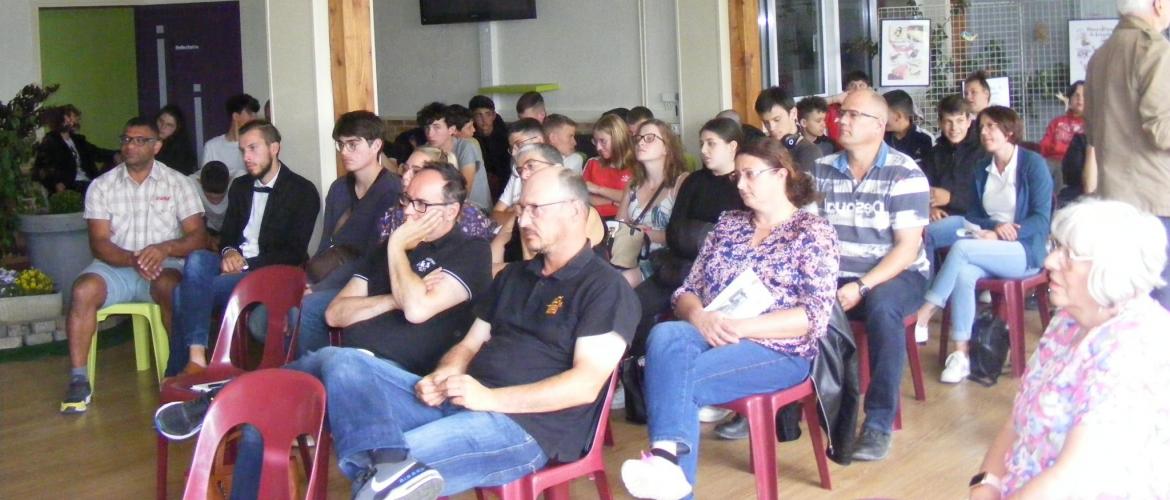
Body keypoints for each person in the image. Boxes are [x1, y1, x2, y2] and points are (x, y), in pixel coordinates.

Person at [242, 166, 633, 499]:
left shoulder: (604, 287)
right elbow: (468, 343)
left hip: (524, 427)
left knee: (384, 483)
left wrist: (488, 397)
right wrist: (447, 372)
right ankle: (246, 395)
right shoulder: (515, 275)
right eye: (521, 208)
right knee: (340, 361)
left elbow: (584, 386)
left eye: (534, 209)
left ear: (576, 211)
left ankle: (385, 468)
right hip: (462, 400)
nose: (523, 220)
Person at [156, 163, 494, 500]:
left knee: (343, 360)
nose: (408, 211)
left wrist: (396, 250)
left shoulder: (470, 252)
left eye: (422, 204)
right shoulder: (383, 254)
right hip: (345, 373)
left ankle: (228, 392)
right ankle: (241, 398)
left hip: (405, 382)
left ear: (452, 211)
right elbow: (336, 313)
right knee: (265, 412)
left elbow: (418, 310)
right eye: (407, 200)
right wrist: (394, 297)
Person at [619, 138, 839, 500]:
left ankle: (665, 468)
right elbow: (686, 291)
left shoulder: (812, 233)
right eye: (738, 176)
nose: (739, 184)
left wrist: (738, 327)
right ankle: (665, 464)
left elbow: (812, 316)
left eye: (750, 175)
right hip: (712, 330)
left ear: (781, 175)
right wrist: (700, 317)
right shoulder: (729, 224)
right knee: (666, 336)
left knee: (675, 378)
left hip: (779, 348)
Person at [970, 199, 1170, 499]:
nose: (1050, 262)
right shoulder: (1068, 321)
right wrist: (986, 483)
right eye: (1055, 247)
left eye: (1069, 255)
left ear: (1110, 267)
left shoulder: (1136, 346)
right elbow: (1018, 419)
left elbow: (1076, 476)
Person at [810, 90, 930, 461]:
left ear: (879, 126)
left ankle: (878, 422)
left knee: (881, 307)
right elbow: (807, 234)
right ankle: (785, 408)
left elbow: (906, 249)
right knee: (792, 298)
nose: (842, 121)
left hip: (897, 274)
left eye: (853, 115)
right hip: (838, 274)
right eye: (841, 113)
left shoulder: (905, 173)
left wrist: (861, 286)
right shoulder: (821, 170)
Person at [59, 116, 207, 414]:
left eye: (140, 140)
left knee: (173, 289)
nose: (131, 146)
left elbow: (198, 236)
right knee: (83, 291)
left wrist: (164, 248)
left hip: (163, 266)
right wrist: (133, 259)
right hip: (117, 267)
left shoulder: (179, 183)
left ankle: (177, 369)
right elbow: (99, 242)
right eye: (126, 139)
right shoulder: (102, 186)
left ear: (157, 146)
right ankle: (78, 379)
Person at [915, 106, 1053, 383]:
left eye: (991, 126)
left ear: (1009, 131)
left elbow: (1042, 219)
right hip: (991, 243)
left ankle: (924, 312)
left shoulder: (1032, 164)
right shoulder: (982, 168)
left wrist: (1004, 234)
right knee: (964, 273)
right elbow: (974, 215)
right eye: (983, 127)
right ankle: (961, 354)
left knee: (962, 249)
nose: (985, 132)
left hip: (1025, 249)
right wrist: (993, 228)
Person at [171, 120, 320, 374]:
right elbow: (227, 236)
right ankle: (196, 357)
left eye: (253, 148)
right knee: (197, 259)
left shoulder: (302, 190)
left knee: (181, 294)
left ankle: (181, 370)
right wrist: (229, 252)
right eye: (243, 151)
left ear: (274, 148)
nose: (246, 157)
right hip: (236, 266)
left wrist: (245, 264)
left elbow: (294, 251)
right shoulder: (239, 187)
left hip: (270, 272)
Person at [293, 112, 404, 357]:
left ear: (376, 145)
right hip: (331, 272)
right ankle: (288, 375)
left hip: (369, 282)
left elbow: (375, 257)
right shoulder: (339, 188)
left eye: (353, 144)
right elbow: (326, 243)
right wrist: (309, 280)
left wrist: (322, 286)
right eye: (341, 144)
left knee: (306, 308)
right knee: (270, 314)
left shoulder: (392, 190)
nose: (344, 151)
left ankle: (312, 378)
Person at [1084, 0, 1170, 311]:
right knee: (1161, 306)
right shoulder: (1155, 51)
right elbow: (1161, 130)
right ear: (1159, 5)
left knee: (1127, 304)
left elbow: (1091, 132)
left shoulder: (1101, 56)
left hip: (1114, 201)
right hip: (1156, 201)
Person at [615, 119, 690, 288]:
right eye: (638, 138)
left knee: (618, 283)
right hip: (631, 257)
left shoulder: (681, 182)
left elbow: (681, 236)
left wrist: (644, 233)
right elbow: (619, 227)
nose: (640, 142)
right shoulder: (633, 185)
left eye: (649, 138)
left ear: (666, 147)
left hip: (664, 262)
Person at [417, 102, 491, 211]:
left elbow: (464, 189)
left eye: (436, 127)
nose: (430, 134)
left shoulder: (466, 147)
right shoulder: (425, 149)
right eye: (427, 128)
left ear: (451, 129)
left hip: (475, 208)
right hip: (438, 206)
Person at [923, 95, 983, 223]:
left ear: (968, 122)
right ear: (940, 123)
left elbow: (988, 199)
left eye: (960, 120)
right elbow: (922, 188)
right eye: (948, 121)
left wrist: (951, 198)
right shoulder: (934, 154)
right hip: (940, 219)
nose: (954, 128)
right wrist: (929, 208)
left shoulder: (983, 152)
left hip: (976, 220)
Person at [33, 104, 118, 193]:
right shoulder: (50, 142)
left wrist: (115, 154)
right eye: (69, 117)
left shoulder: (78, 141)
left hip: (89, 182)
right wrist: (56, 183)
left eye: (73, 117)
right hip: (70, 185)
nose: (73, 121)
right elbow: (41, 168)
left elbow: (96, 152)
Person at [754, 86, 824, 173]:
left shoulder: (809, 152)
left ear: (793, 113)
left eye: (777, 120)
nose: (771, 128)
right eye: (766, 122)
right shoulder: (762, 149)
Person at [582, 114, 636, 219]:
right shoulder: (592, 163)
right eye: (595, 141)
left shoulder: (636, 165)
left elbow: (635, 198)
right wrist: (614, 199)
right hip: (594, 220)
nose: (598, 147)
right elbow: (584, 197)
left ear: (618, 139)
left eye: (603, 141)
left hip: (625, 221)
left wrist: (597, 189)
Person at [200, 94, 259, 178]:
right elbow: (206, 180)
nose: (254, 118)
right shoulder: (212, 146)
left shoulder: (257, 145)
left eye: (255, 114)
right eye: (250, 113)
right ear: (235, 116)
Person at [469, 95, 512, 200]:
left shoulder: (506, 136)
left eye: (487, 114)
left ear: (493, 115)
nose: (484, 120)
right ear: (473, 118)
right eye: (479, 115)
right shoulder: (470, 137)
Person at [883, 90, 933, 167]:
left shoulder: (925, 139)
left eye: (883, 114)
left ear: (898, 116)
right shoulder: (880, 137)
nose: (879, 118)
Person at [1038, 81, 1085, 162]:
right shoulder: (1057, 122)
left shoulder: (1093, 125)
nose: (1080, 98)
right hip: (1055, 162)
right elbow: (1044, 146)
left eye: (1084, 95)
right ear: (1069, 99)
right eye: (1076, 95)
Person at [154, 105, 197, 175]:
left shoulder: (182, 153)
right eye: (161, 121)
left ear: (177, 129)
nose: (163, 127)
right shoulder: (144, 141)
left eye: (169, 125)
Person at [197, 161, 230, 248]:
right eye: (209, 197)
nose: (215, 202)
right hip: (207, 230)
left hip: (232, 229)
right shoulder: (190, 184)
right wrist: (209, 239)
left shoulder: (239, 181)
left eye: (220, 197)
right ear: (199, 182)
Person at [964, 71, 993, 144]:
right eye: (966, 93)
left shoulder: (998, 120)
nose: (968, 97)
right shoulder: (963, 123)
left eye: (973, 92)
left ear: (986, 94)